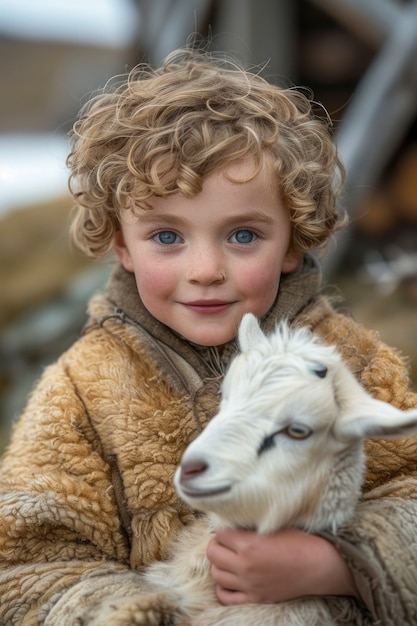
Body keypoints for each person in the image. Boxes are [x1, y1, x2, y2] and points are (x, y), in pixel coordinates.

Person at [0, 46, 416, 626]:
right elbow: (28, 561)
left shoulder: (352, 365)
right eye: (167, 238)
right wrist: (144, 613)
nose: (204, 270)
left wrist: (337, 565)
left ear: (294, 240)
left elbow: (410, 493)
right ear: (121, 244)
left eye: (243, 235)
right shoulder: (82, 389)